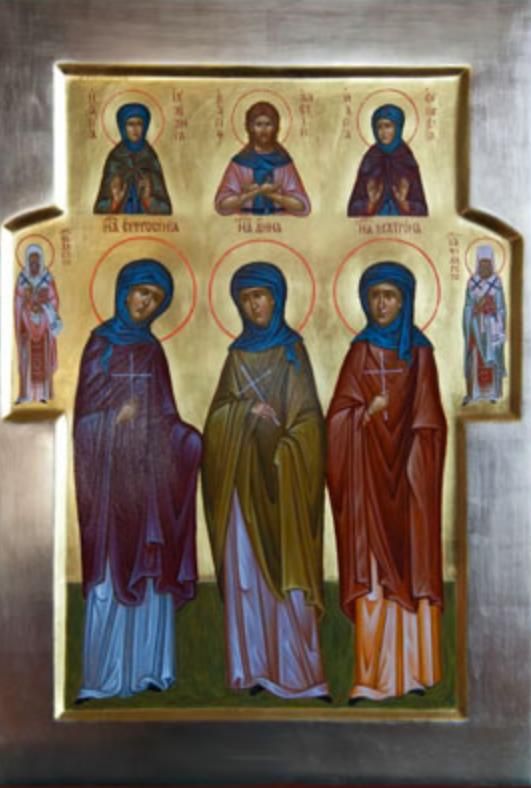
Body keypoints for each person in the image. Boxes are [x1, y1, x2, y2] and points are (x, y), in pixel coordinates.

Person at [73, 259, 201, 701]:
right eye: (142, 292)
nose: (146, 303)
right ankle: (103, 680)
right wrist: (113, 417)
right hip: (111, 492)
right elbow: (83, 424)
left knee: (148, 575)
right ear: (124, 290)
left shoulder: (152, 351)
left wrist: (186, 440)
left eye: (155, 298)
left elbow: (166, 416)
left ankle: (149, 671)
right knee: (111, 577)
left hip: (147, 489)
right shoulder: (100, 345)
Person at [202, 262, 329, 701]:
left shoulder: (293, 352)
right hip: (244, 485)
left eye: (261, 296)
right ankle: (254, 668)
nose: (255, 306)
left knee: (288, 580)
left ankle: (299, 675)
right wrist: (243, 413)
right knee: (247, 578)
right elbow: (216, 417)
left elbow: (310, 419)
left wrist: (287, 449)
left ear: (278, 298)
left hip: (284, 481)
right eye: (246, 299)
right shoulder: (236, 357)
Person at [327, 261, 446, 703]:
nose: (381, 304)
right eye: (374, 295)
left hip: (410, 483)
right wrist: (365, 414)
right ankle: (371, 678)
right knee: (374, 577)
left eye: (390, 296)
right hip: (368, 482)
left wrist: (415, 453)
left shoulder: (420, 353)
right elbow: (337, 420)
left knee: (410, 566)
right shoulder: (358, 352)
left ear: (405, 300)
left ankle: (414, 674)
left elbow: (432, 422)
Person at [214, 101, 311, 216]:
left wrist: (272, 195)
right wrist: (251, 194)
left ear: (275, 128)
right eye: (258, 124)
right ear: (250, 128)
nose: (263, 130)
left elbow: (301, 205)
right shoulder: (240, 162)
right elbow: (222, 204)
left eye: (268, 124)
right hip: (245, 221)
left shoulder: (283, 161)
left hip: (279, 221)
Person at [347, 104, 428, 217]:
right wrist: (369, 205)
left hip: (403, 225)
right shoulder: (370, 158)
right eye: (379, 127)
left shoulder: (406, 158)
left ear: (398, 127)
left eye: (388, 126)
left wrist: (405, 204)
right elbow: (353, 208)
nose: (383, 132)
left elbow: (422, 209)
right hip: (371, 225)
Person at [94, 103, 172, 215]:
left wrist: (148, 200)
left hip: (147, 224)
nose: (135, 129)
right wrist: (115, 202)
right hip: (119, 223)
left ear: (145, 126)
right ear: (122, 126)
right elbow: (99, 208)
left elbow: (166, 209)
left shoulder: (150, 158)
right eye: (130, 124)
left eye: (139, 124)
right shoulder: (115, 158)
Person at [14, 243, 62, 403]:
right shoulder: (22, 279)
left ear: (41, 261)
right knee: (27, 359)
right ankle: (27, 394)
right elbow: (17, 303)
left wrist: (43, 306)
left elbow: (54, 301)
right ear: (27, 262)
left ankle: (43, 394)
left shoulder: (47, 278)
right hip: (27, 326)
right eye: (31, 262)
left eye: (37, 262)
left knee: (43, 359)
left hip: (43, 326)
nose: (34, 266)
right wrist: (26, 304)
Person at [463, 244, 506, 404]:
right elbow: (467, 306)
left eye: (488, 263)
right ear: (477, 264)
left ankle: (493, 393)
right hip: (475, 327)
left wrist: (493, 311)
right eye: (482, 263)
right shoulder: (472, 283)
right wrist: (473, 310)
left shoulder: (496, 283)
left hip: (491, 329)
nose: (485, 267)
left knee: (492, 358)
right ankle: (475, 393)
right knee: (475, 358)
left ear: (492, 264)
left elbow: (501, 308)